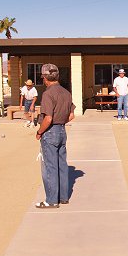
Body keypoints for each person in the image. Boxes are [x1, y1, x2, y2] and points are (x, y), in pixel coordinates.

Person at [35, 63, 76, 208]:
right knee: (62, 165)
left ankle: (51, 200)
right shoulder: (66, 92)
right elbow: (71, 115)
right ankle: (63, 197)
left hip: (50, 132)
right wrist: (61, 122)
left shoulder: (48, 94)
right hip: (62, 131)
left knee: (50, 167)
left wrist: (40, 132)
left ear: (45, 78)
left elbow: (48, 118)